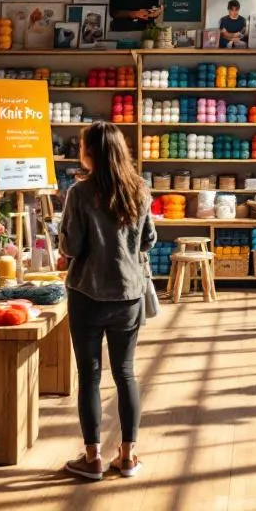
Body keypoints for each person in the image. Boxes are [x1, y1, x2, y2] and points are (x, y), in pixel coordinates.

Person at [58, 122, 156, 481]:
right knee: (126, 373)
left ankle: (92, 458)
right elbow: (148, 240)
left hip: (86, 293)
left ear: (91, 153)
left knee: (90, 375)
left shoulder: (79, 194)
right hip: (128, 295)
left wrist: (63, 236)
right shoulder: (139, 191)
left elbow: (72, 248)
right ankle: (128, 457)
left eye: (82, 146)